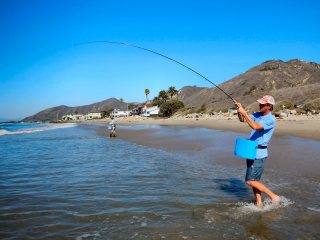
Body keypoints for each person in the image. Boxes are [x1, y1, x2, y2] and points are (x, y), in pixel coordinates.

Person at [234, 95, 280, 206]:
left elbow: (255, 126)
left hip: (259, 154)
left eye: (262, 104)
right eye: (260, 103)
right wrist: (239, 110)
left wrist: (244, 112)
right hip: (251, 151)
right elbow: (243, 120)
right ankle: (259, 203)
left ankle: (274, 197)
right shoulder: (257, 114)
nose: (259, 105)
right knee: (255, 181)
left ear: (269, 106)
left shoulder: (270, 120)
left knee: (250, 181)